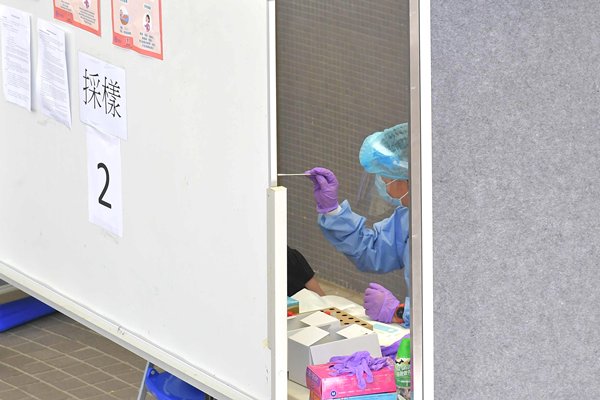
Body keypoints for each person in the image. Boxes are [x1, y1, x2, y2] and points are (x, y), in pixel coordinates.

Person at [305, 123, 410, 327]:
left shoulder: (452, 227)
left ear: (407, 176)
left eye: (385, 178)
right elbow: (373, 250)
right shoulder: (409, 216)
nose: (382, 184)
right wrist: (333, 211)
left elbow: (455, 307)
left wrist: (401, 312)